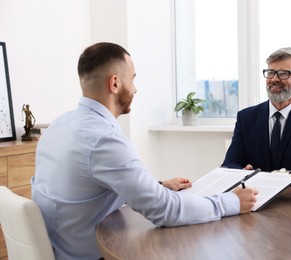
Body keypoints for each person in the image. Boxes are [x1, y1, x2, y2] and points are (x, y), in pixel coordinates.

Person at [31, 42, 258, 260]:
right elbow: (165, 210)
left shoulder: (58, 125)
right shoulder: (103, 140)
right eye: (133, 79)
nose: (136, 89)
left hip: (61, 247)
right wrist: (231, 202)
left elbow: (87, 185)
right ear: (115, 84)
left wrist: (156, 186)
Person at [222, 47, 291, 194]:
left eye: (283, 73)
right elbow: (231, 163)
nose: (274, 79)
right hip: (254, 197)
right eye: (270, 72)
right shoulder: (246, 118)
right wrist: (239, 174)